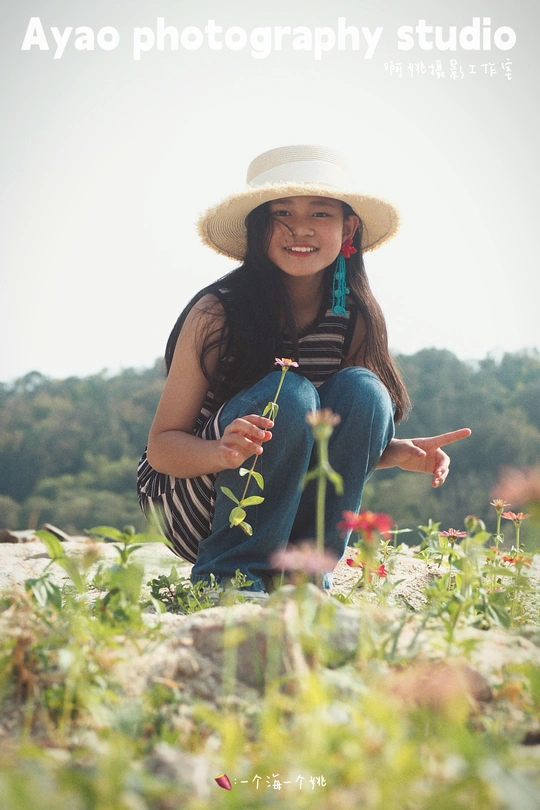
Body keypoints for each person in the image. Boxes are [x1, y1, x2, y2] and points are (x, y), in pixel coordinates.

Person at [137, 144, 471, 593]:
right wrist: (221, 451)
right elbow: (161, 448)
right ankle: (229, 577)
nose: (300, 229)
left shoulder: (354, 316)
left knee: (365, 391)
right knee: (288, 393)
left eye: (320, 214)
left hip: (285, 504)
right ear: (258, 227)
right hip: (196, 495)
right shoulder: (217, 312)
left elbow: (330, 436)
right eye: (281, 213)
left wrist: (392, 450)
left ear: (348, 226)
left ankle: (306, 576)